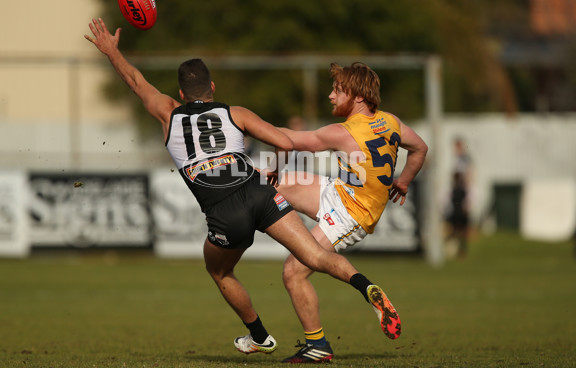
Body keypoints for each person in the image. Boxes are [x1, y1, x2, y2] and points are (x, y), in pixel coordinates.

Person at [84, 19, 400, 359]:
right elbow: (285, 142)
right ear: (213, 88)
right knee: (316, 256)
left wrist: (112, 52)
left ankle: (260, 336)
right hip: (260, 193)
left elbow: (135, 81)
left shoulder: (168, 114)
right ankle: (366, 287)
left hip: (224, 211)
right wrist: (276, 172)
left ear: (179, 94)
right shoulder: (235, 112)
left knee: (219, 271)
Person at [274, 62, 428, 363]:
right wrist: (404, 182)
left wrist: (244, 124)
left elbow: (291, 139)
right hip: (340, 191)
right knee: (272, 181)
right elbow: (420, 148)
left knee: (293, 272)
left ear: (357, 96)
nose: (331, 96)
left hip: (350, 215)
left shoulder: (342, 133)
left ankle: (319, 343)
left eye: (338, 90)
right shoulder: (390, 122)